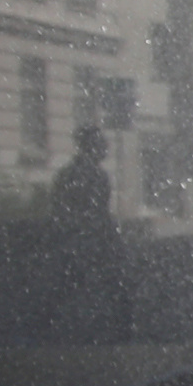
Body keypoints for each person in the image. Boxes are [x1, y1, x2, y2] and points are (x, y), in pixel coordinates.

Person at [48, 125, 127, 344]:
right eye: (102, 143)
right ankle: (113, 332)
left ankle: (56, 331)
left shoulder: (65, 174)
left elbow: (57, 209)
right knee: (111, 286)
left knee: (67, 288)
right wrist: (114, 241)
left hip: (69, 241)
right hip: (91, 241)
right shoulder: (97, 176)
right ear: (93, 145)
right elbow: (100, 213)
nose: (106, 148)